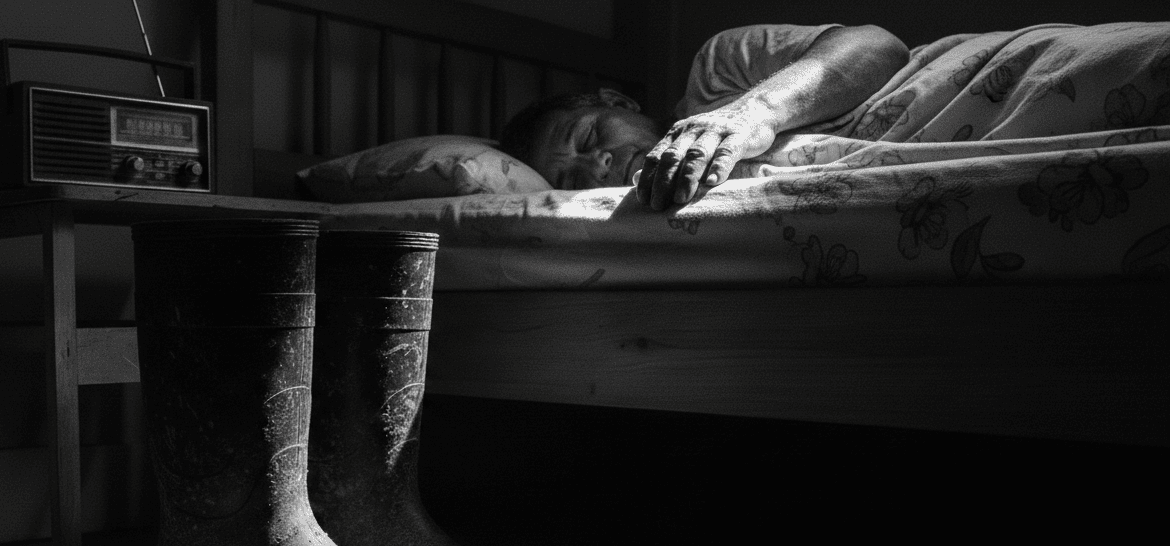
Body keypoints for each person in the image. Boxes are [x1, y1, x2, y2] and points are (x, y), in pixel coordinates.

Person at [500, 22, 1170, 210]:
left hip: (1008, 77)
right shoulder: (647, 202)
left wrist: (747, 114)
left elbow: (878, 47)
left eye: (588, 137)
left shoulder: (718, 67)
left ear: (617, 104)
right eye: (576, 176)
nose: (598, 164)